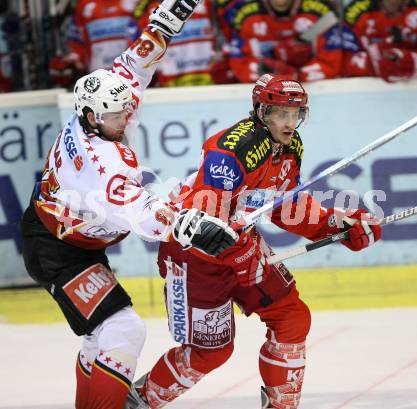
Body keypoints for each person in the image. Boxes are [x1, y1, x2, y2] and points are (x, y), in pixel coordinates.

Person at [20, 1, 239, 408]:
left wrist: (165, 24)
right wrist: (187, 225)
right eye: (116, 115)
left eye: (126, 109)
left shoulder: (101, 104)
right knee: (124, 331)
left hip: (70, 238)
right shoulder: (99, 162)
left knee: (98, 338)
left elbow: (134, 65)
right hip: (57, 250)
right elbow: (138, 210)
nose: (125, 118)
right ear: (90, 118)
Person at [125, 74, 382, 409]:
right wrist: (240, 253)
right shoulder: (232, 148)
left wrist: (337, 224)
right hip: (193, 255)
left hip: (241, 245)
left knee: (291, 318)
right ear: (261, 111)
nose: (290, 123)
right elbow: (205, 219)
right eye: (281, 114)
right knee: (212, 351)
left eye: (296, 114)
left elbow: (283, 205)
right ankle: (139, 401)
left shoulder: (291, 147)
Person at [226, 0, 343, 83]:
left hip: (312, 94)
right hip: (266, 97)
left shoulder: (321, 13)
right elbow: (240, 65)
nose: (280, 2)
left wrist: (296, 75)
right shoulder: (245, 15)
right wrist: (270, 75)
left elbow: (332, 64)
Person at [49, 0, 151, 87]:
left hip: (131, 75)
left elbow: (146, 32)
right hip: (97, 76)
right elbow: (77, 41)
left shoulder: (137, 2)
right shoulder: (83, 4)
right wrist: (73, 60)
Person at [343, 0, 417, 82]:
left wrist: (413, 61)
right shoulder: (354, 14)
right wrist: (375, 63)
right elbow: (345, 62)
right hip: (371, 95)